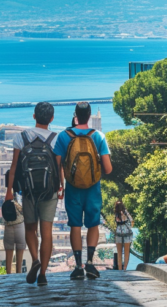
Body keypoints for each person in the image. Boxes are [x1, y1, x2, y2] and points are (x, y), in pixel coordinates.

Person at [5, 102, 63, 287]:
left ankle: (35, 259)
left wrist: (9, 191)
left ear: (34, 116)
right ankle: (43, 274)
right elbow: (59, 166)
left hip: (28, 192)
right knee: (47, 233)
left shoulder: (21, 137)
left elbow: (14, 167)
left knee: (31, 229)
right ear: (51, 119)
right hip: (49, 192)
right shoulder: (56, 139)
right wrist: (62, 187)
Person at [54, 102, 112, 280]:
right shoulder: (99, 136)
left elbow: (58, 165)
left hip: (73, 188)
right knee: (93, 225)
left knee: (75, 226)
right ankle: (90, 263)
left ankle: (78, 266)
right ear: (90, 115)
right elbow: (108, 169)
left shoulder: (64, 136)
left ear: (75, 115)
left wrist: (60, 186)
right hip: (93, 189)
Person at [2, 198, 26, 274]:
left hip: (8, 225)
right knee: (20, 253)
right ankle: (18, 273)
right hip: (20, 225)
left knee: (8, 252)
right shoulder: (23, 196)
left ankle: (8, 275)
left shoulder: (8, 197)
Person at [114, 200, 134, 271]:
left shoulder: (116, 213)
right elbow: (131, 220)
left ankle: (120, 269)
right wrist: (130, 226)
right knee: (126, 252)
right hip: (127, 232)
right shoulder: (125, 212)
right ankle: (125, 268)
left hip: (118, 232)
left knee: (119, 253)